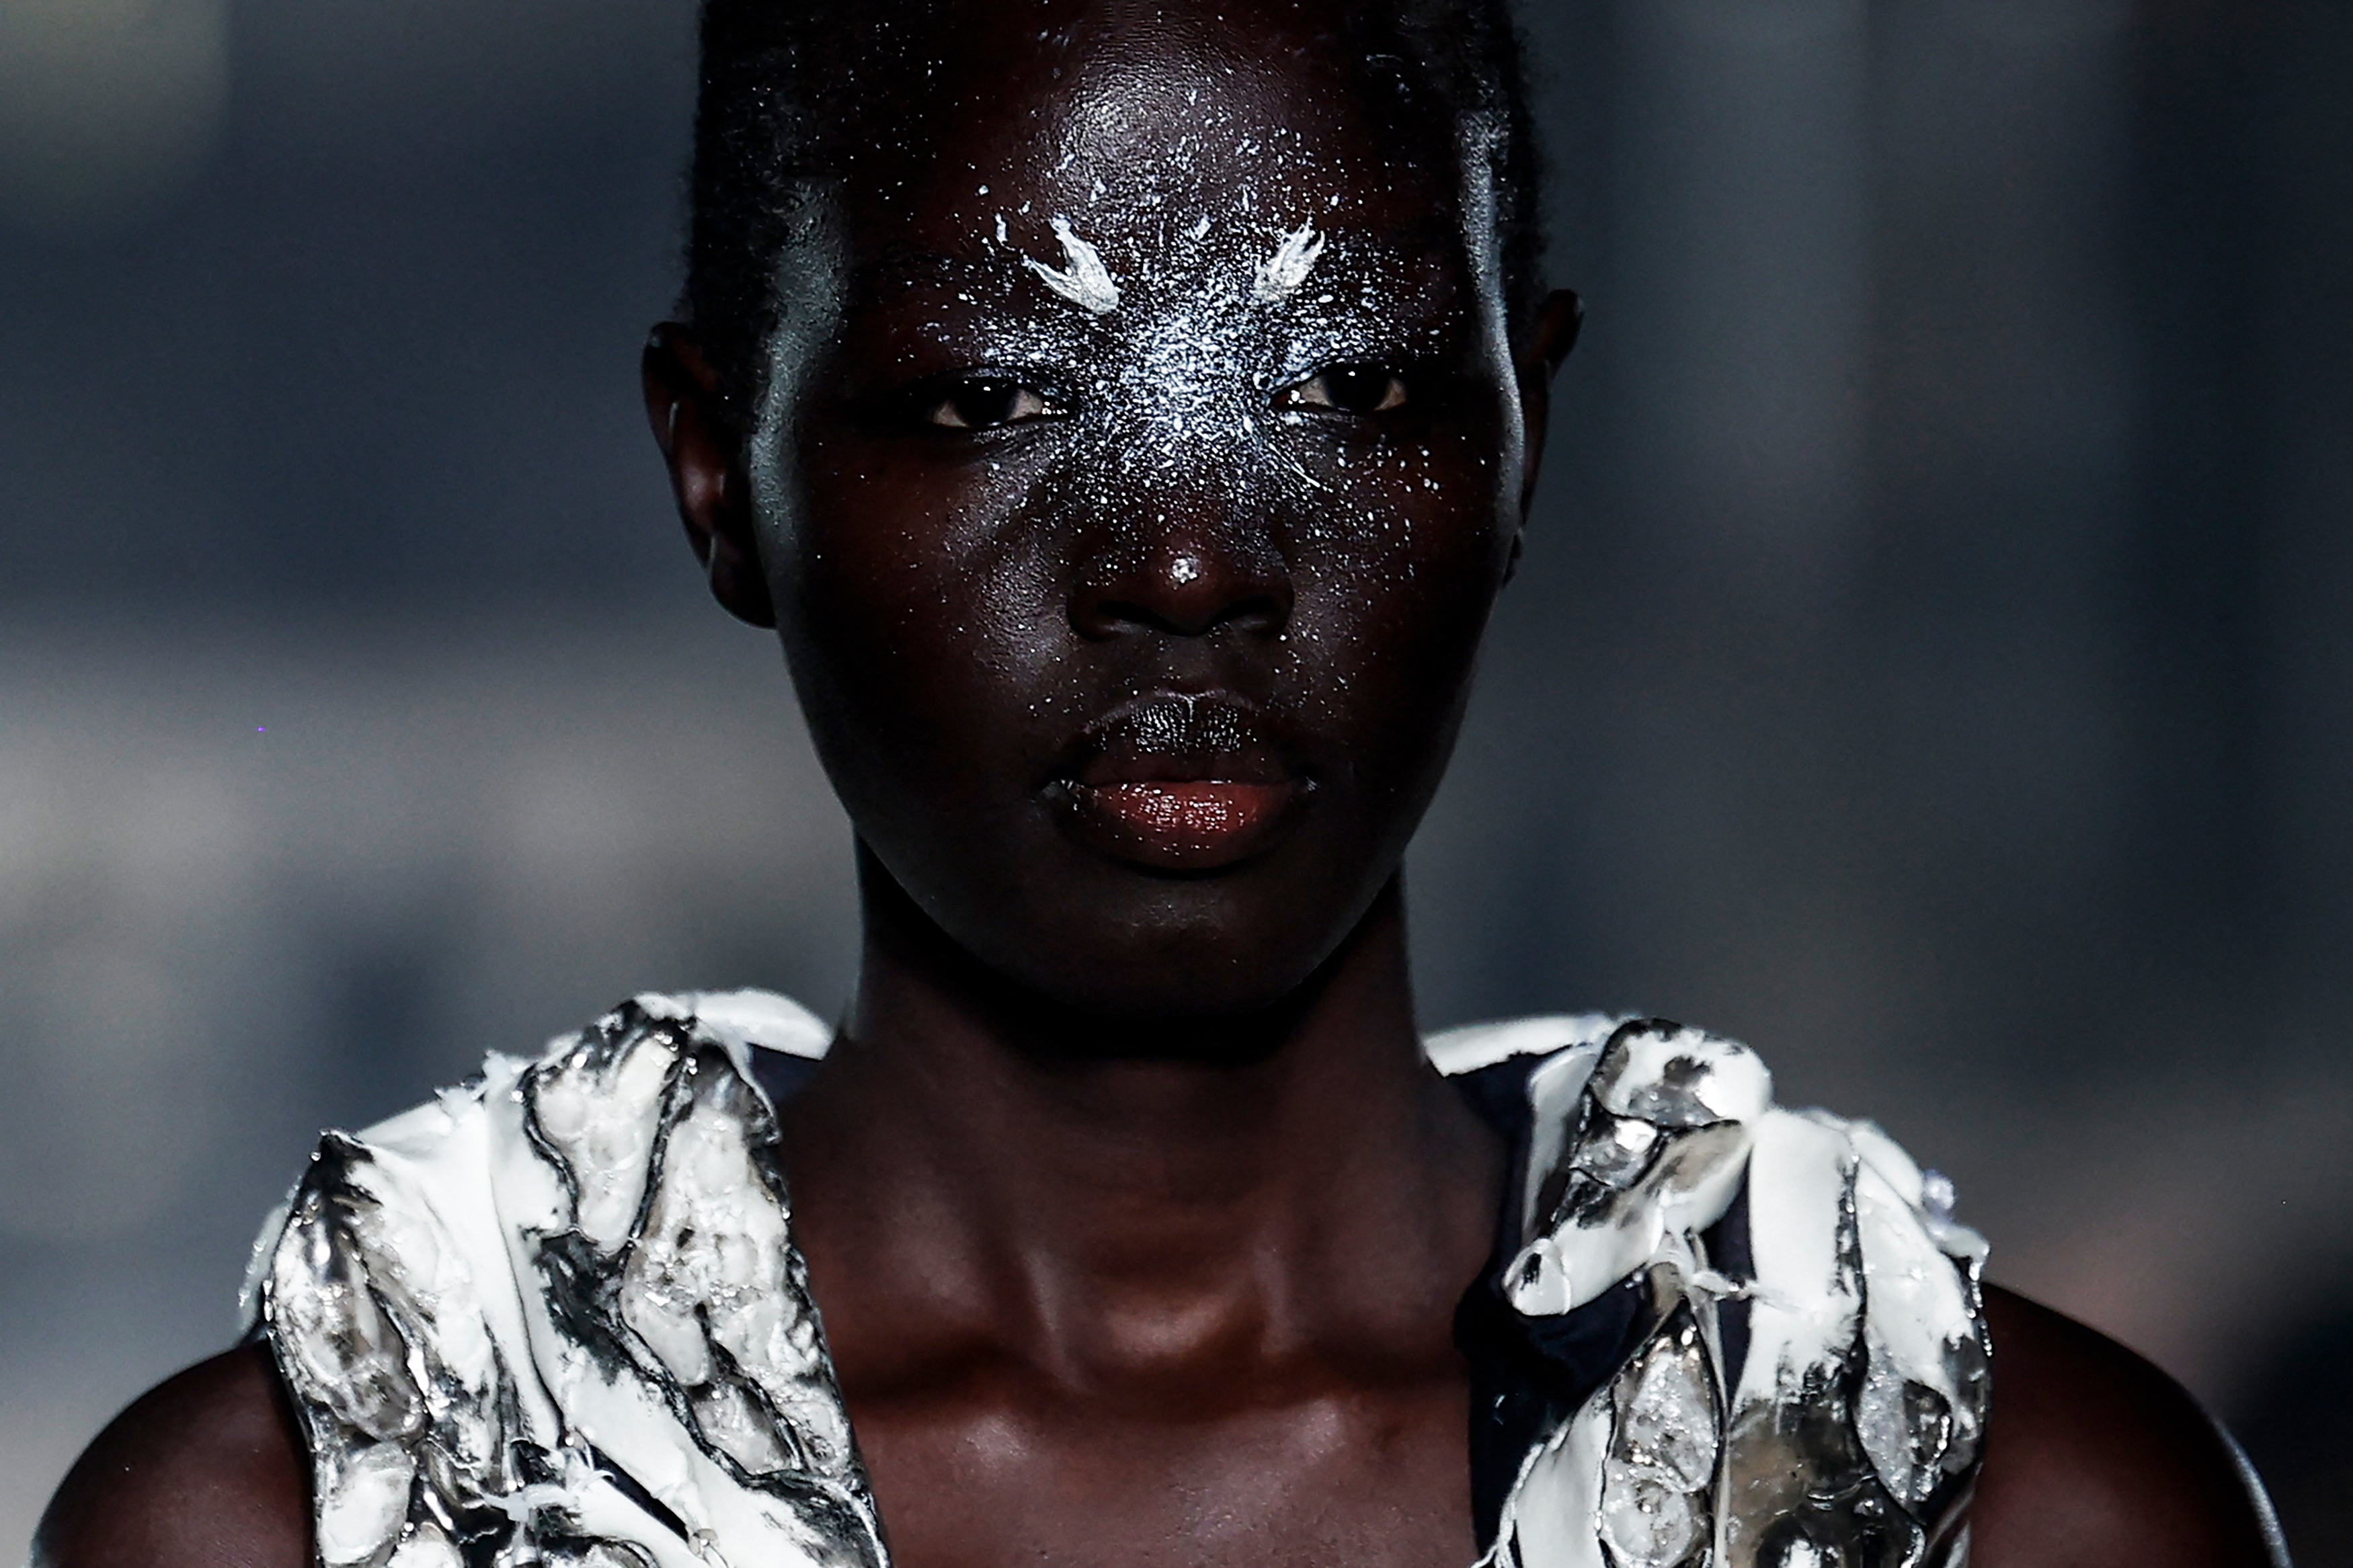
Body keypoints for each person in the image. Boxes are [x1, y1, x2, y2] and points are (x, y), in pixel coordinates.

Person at [33, 2, 2283, 1565]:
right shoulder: (309, 1527)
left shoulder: (2003, 1509)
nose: (1188, 557)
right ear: (724, 477)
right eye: (996, 399)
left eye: (1355, 386)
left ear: (1527, 437)